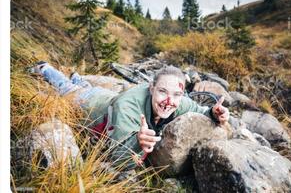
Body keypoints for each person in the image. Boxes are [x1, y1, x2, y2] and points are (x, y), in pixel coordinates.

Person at [30, 62, 230, 169]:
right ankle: (45, 68)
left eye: (176, 94)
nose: (169, 101)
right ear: (151, 88)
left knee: (82, 85)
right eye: (162, 92)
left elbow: (199, 111)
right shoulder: (129, 106)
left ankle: (80, 78)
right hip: (89, 103)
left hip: (107, 96)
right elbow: (119, 160)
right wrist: (138, 142)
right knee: (67, 89)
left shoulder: (178, 100)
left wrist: (214, 113)